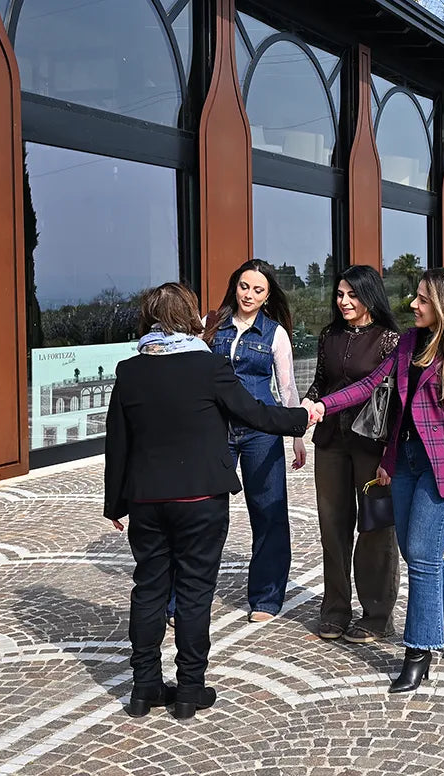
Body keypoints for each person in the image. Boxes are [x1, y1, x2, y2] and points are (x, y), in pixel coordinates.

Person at [103, 282, 310, 719]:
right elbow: (254, 413)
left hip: (147, 500)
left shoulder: (130, 370)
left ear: (149, 320)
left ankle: (143, 688)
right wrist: (302, 418)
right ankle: (189, 691)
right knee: (195, 593)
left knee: (149, 589)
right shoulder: (210, 365)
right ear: (189, 317)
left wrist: (115, 504)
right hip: (200, 498)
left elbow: (117, 442)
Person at [307, 268, 444, 693]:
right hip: (408, 462)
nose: (413, 305)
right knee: (415, 549)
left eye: (423, 299)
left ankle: (418, 652)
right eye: (415, 297)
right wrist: (323, 407)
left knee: (422, 555)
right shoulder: (410, 342)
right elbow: (370, 385)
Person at [203, 259, 304, 623]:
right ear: (235, 286)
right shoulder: (210, 324)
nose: (249, 295)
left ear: (267, 296)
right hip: (217, 430)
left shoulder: (275, 334)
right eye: (244, 286)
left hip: (261, 432)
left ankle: (266, 597)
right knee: (204, 514)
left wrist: (296, 436)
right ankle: (185, 597)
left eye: (258, 290)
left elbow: (287, 387)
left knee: (269, 512)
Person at [304, 265, 400, 645]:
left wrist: (390, 453)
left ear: (369, 296)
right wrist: (307, 405)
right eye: (340, 294)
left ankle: (377, 615)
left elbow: (394, 400)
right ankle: (335, 609)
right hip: (330, 441)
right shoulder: (329, 335)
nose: (343, 301)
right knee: (332, 527)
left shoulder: (389, 340)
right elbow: (320, 382)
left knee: (375, 528)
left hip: (371, 445)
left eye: (352, 295)